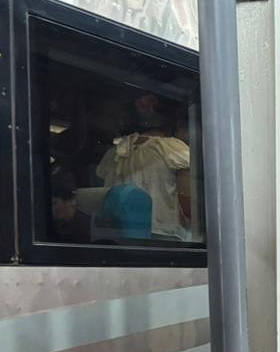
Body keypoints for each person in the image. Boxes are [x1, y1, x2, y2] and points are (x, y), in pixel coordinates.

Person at [94, 94, 192, 242]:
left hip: (114, 235)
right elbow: (189, 204)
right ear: (178, 125)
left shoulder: (114, 151)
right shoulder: (173, 148)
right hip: (161, 235)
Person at [49, 167, 91, 244]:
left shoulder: (85, 226)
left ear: (71, 201)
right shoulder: (53, 225)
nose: (51, 208)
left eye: (54, 203)